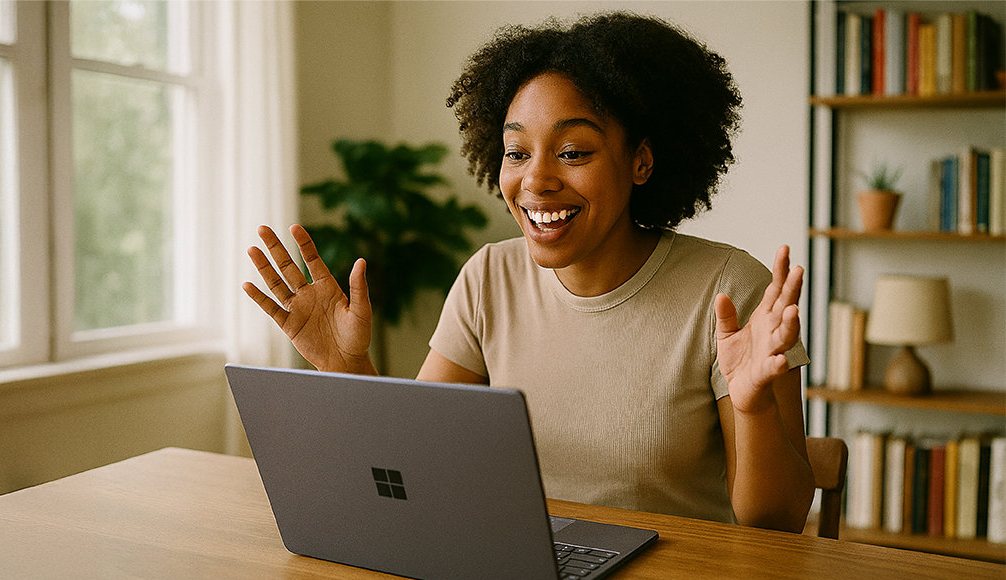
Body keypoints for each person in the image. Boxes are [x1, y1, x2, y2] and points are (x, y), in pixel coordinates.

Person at [244, 12, 815, 533]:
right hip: (522, 572)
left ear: (641, 161)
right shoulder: (489, 277)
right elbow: (414, 465)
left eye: (573, 152)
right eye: (517, 153)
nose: (536, 181)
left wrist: (754, 408)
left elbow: (780, 519)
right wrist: (347, 367)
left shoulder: (729, 290)